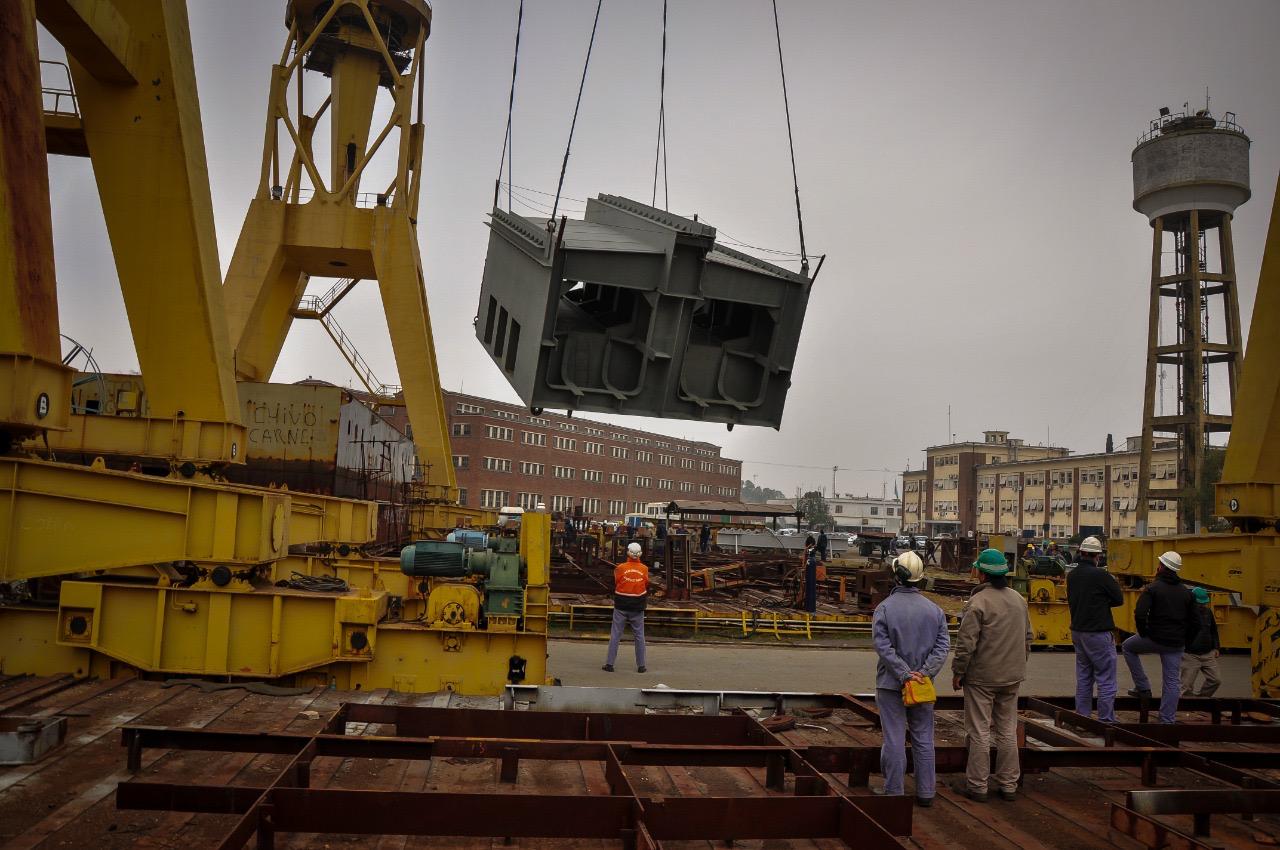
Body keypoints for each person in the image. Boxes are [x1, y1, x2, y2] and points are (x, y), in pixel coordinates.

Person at [951, 548, 1031, 803]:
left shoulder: (978, 602)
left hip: (982, 679)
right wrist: (1017, 665)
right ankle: (1009, 785)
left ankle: (978, 786)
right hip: (1012, 677)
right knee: (1008, 730)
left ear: (982, 574)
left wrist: (958, 671)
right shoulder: (1019, 600)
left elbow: (966, 644)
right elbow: (1027, 638)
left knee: (979, 731)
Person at [872, 551, 950, 807]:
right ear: (920, 579)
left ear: (896, 575)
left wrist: (904, 674)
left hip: (891, 685)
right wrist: (923, 674)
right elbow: (942, 648)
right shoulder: (935, 611)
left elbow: (883, 648)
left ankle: (894, 791)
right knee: (923, 738)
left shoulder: (884, 609)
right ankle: (926, 792)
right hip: (922, 687)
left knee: (894, 738)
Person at [1122, 551, 1197, 723]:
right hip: (1175, 644)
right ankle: (1167, 720)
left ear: (1161, 567)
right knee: (1172, 682)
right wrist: (1187, 641)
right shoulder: (1187, 593)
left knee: (1128, 647)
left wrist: (1143, 633)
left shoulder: (1153, 588)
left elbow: (1140, 613)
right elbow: (1196, 622)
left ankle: (1143, 687)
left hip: (1154, 638)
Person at [1066, 535, 1123, 721]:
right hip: (1098, 632)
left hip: (1078, 631)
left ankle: (1082, 716)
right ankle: (1106, 720)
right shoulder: (1101, 575)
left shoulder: (1072, 576)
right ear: (1097, 556)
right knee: (1106, 678)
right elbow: (1118, 599)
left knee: (1084, 677)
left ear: (1081, 553)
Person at [602, 542, 649, 673]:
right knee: (639, 636)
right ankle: (641, 666)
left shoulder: (620, 568)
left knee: (615, 635)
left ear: (627, 552)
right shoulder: (644, 569)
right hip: (638, 605)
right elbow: (646, 583)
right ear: (640, 553)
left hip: (621, 605)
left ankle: (610, 664)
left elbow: (617, 582)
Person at [1180, 586, 1221, 697]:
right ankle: (1186, 708)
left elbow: (1213, 630)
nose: (1202, 606)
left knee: (1215, 680)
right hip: (1190, 655)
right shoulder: (1184, 613)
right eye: (1200, 604)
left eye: (1204, 603)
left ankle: (1201, 700)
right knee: (1186, 686)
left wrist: (1216, 647)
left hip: (1207, 653)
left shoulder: (1208, 612)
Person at [803, 544, 820, 613]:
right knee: (812, 593)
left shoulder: (808, 560)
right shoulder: (813, 561)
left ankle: (808, 608)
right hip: (812, 581)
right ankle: (811, 609)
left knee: (808, 592)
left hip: (808, 580)